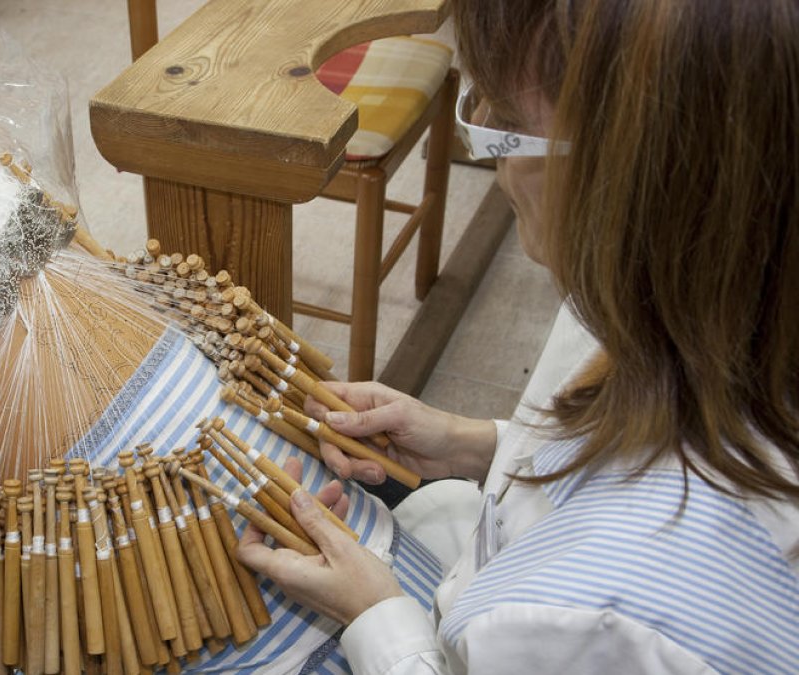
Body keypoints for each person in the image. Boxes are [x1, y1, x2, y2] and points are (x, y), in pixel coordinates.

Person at [237, 0, 799, 673]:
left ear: (634, 181)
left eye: (506, 126)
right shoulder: (713, 304)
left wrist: (377, 617)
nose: (498, 158)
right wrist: (477, 444)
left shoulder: (589, 615)